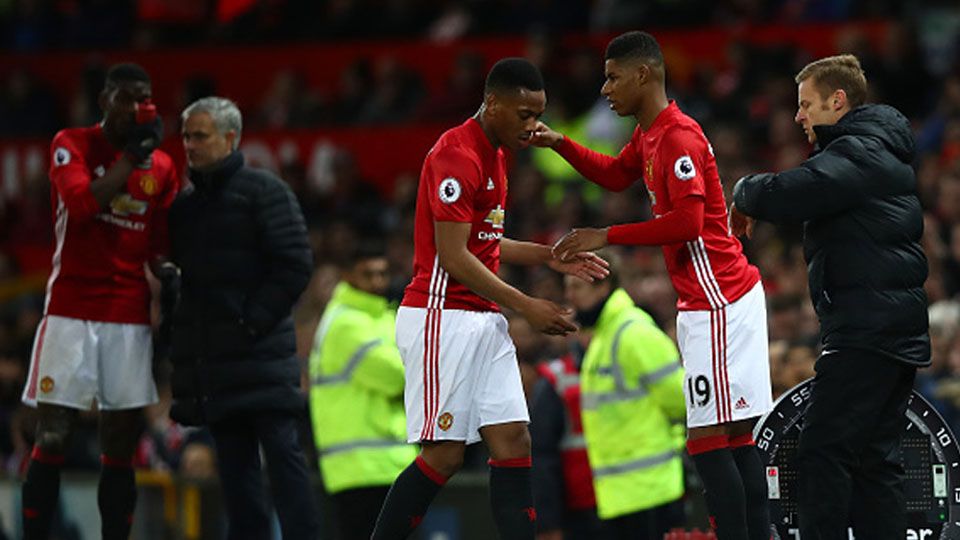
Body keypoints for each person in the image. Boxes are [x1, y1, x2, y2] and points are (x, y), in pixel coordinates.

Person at [530, 31, 773, 540]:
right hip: (713, 300)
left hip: (719, 300)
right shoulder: (651, 133)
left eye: (614, 76)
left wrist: (606, 234)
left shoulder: (677, 138)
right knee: (735, 438)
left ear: (644, 74)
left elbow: (687, 222)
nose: (605, 87)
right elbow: (618, 175)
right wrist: (561, 143)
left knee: (707, 439)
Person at [370, 57, 609, 540]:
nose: (532, 125)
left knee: (513, 439)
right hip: (442, 315)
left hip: (479, 315)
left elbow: (486, 243)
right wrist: (525, 304)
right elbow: (454, 256)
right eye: (523, 114)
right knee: (444, 454)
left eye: (537, 114)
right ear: (492, 103)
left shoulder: (495, 154)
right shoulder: (456, 155)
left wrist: (548, 256)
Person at [730, 54, 930, 540]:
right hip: (889, 331)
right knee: (873, 461)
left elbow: (791, 192)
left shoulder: (858, 151)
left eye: (806, 105)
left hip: (866, 330)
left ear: (837, 102)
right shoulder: (875, 149)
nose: (798, 116)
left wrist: (742, 192)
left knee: (822, 449)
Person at [20, 62, 175, 540]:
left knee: (120, 446)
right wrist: (131, 158)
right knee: (52, 436)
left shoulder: (163, 166)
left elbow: (155, 245)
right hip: (70, 309)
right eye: (126, 97)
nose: (136, 106)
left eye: (143, 96)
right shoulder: (71, 143)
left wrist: (168, 274)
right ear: (105, 99)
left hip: (127, 318)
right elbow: (83, 207)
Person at [167, 96, 320, 539]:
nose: (190, 145)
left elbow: (294, 265)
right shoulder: (185, 209)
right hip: (215, 366)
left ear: (231, 138)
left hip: (260, 356)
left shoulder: (266, 192)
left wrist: (250, 323)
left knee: (284, 464)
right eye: (186, 136)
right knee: (236, 477)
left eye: (200, 135)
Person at [565, 253, 686, 539]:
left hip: (651, 492)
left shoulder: (634, 333)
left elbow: (680, 401)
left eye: (577, 286)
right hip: (621, 494)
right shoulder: (605, 336)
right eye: (567, 286)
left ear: (603, 287)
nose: (569, 296)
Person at [309, 240, 417, 540]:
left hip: (391, 464)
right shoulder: (345, 323)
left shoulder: (382, 316)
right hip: (360, 469)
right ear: (348, 276)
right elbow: (398, 376)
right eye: (367, 274)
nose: (377, 282)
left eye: (382, 274)